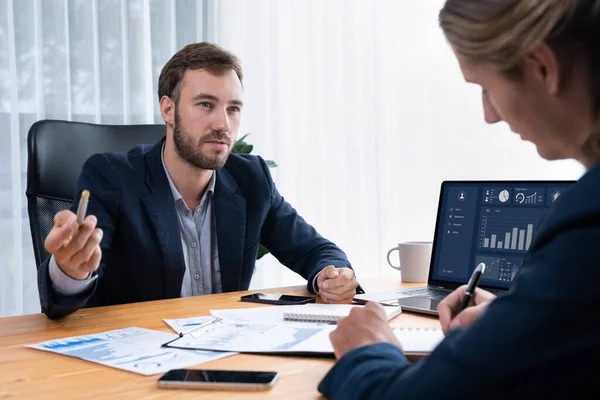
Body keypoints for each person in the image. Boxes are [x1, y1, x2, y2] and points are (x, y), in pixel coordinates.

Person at [318, 0, 600, 398]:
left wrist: (366, 350)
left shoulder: (587, 224)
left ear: (542, 67)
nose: (489, 114)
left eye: (486, 87)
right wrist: (522, 313)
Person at [38, 42, 359, 319]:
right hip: (136, 360)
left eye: (233, 108)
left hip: (225, 353)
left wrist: (332, 276)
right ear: (168, 109)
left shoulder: (251, 178)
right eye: (206, 104)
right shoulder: (113, 177)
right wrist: (71, 270)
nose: (223, 123)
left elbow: (315, 250)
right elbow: (63, 297)